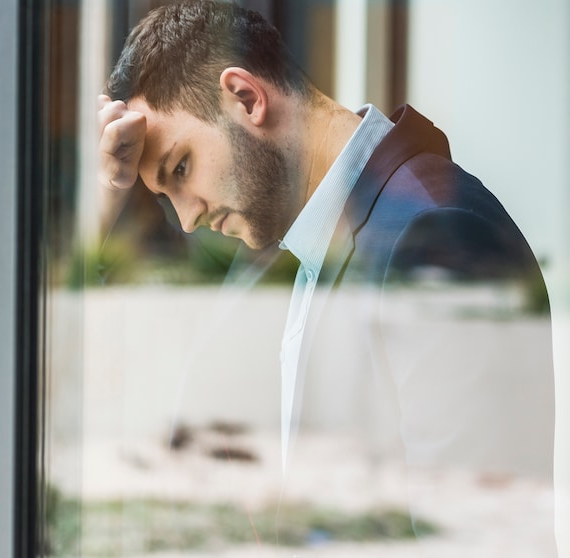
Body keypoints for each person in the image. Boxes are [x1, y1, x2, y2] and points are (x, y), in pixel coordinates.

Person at [97, 0, 555, 552]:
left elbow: (475, 539)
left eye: (181, 168)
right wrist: (109, 202)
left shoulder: (432, 229)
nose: (189, 219)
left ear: (246, 98)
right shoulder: (313, 238)